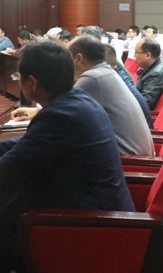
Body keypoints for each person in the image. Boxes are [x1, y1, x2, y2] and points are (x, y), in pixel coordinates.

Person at [0, 41, 135, 271]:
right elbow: (30, 145)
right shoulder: (76, 100)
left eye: (18, 76)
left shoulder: (60, 115)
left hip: (90, 227)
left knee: (9, 209)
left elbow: (7, 172)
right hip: (95, 209)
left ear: (32, 82)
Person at [66, 36, 153, 156]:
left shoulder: (92, 78)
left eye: (68, 58)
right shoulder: (107, 72)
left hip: (129, 160)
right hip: (135, 155)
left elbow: (63, 116)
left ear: (79, 58)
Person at [104, 43, 153, 128]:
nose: (134, 56)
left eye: (136, 52)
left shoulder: (108, 81)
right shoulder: (116, 76)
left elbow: (149, 102)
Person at [134, 37, 163, 110]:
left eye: (136, 52)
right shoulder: (151, 68)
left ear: (148, 55)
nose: (134, 56)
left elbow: (145, 103)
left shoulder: (156, 74)